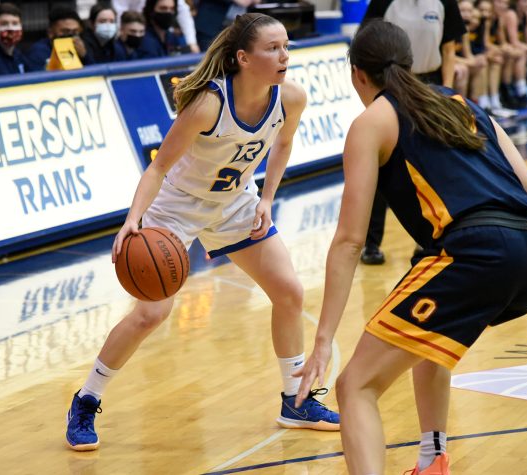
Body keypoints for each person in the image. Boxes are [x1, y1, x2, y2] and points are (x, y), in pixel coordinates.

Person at [294, 20, 527, 475]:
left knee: (355, 386)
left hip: (480, 253)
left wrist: (323, 340)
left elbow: (351, 241)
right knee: (427, 337)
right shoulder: (461, 102)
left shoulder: (371, 123)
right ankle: (433, 461)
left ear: (357, 75)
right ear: (411, 63)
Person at [64, 12, 340, 451]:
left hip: (235, 203)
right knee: (151, 314)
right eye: (273, 48)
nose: (285, 55)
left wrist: (267, 199)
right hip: (176, 209)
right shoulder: (208, 104)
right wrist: (134, 218)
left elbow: (283, 145)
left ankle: (296, 400)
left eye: (286, 46)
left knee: (289, 292)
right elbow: (158, 166)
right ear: (243, 58)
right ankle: (86, 398)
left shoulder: (291, 98)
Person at [360, 0, 466, 266]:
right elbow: (366, 42)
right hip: (391, 82)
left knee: (433, 164)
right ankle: (371, 243)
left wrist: (447, 93)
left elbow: (449, 49)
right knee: (381, 161)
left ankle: (428, 240)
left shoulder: (444, 2)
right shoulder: (383, 2)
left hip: (430, 84)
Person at [113, 0, 201, 53]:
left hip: (161, 33)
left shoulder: (170, 37)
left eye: (171, 9)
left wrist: (192, 42)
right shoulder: (147, 42)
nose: (168, 12)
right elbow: (120, 12)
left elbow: (183, 11)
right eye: (163, 8)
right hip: (138, 28)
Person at [27, 6, 94, 70]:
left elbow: (96, 74)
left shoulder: (82, 46)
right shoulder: (39, 51)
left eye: (75, 31)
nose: (71, 35)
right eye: (65, 31)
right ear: (50, 32)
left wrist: (85, 56)